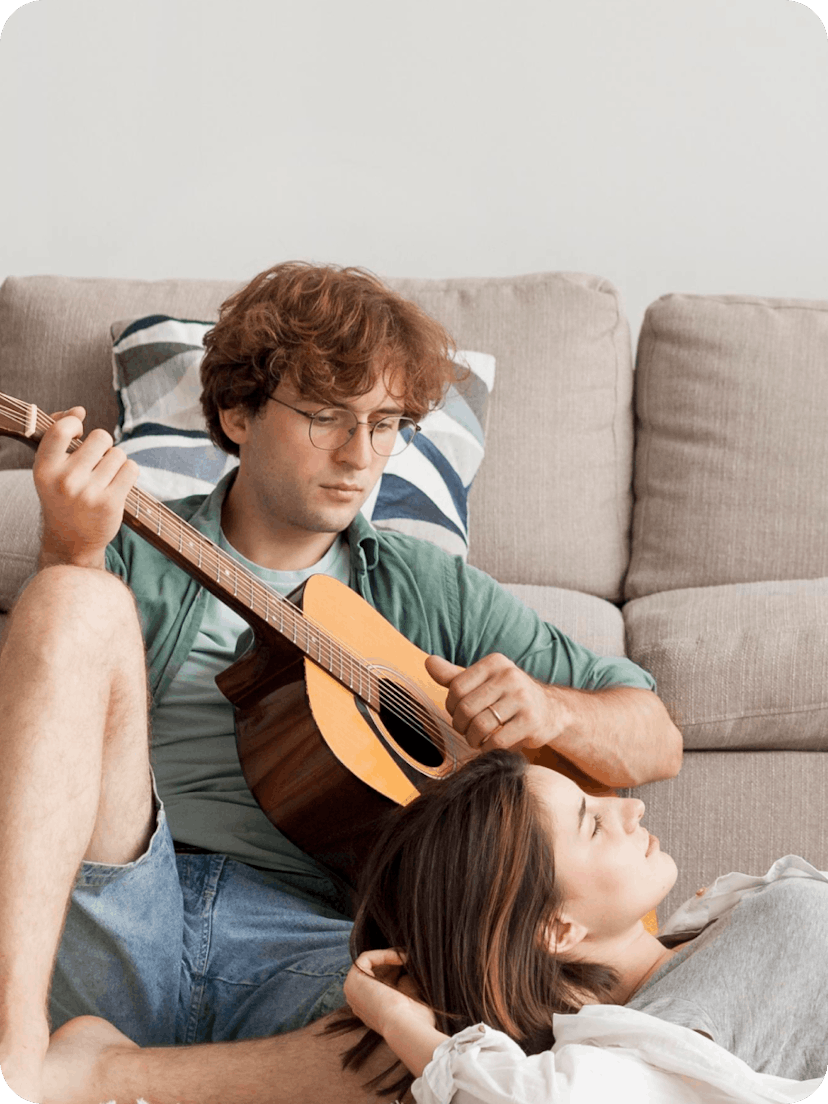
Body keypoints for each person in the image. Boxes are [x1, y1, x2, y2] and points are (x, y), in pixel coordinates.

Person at [0, 263, 681, 1103]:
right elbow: (48, 730)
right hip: (122, 909)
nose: (361, 457)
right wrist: (71, 551)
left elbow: (655, 735)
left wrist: (547, 708)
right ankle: (16, 1050)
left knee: (461, 1040)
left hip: (315, 947)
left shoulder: (426, 587)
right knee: (72, 600)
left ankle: (105, 1078)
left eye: (386, 424)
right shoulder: (125, 534)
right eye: (326, 418)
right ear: (237, 413)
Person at [338, 750, 828, 1101]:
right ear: (556, 928)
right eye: (592, 824)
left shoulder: (688, 965)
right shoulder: (675, 1013)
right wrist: (394, 1020)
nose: (632, 808)